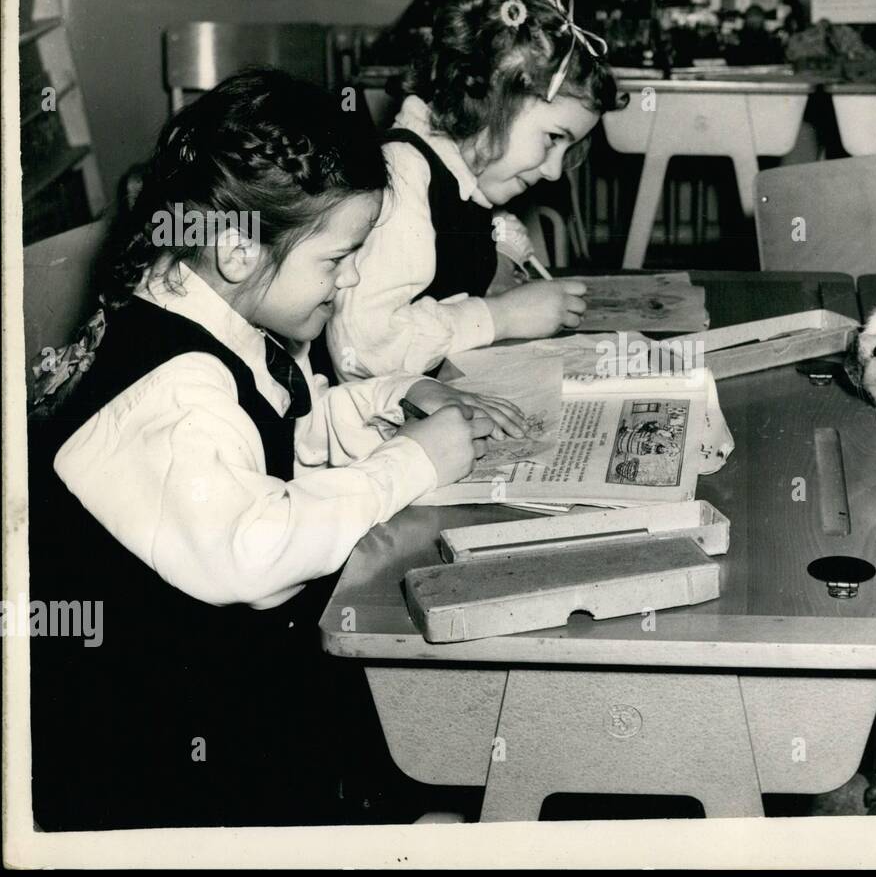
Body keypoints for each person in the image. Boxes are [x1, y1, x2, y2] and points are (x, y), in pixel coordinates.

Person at [26, 68, 517, 830]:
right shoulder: (174, 391)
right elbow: (255, 547)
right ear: (237, 251)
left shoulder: (213, 317)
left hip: (201, 691)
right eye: (336, 257)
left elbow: (271, 440)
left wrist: (390, 403)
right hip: (139, 762)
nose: (351, 277)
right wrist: (411, 462)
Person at [327, 0, 627, 381]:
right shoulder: (402, 178)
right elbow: (363, 348)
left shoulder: (465, 176)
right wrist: (502, 316)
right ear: (487, 99)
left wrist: (502, 259)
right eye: (553, 138)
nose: (554, 171)